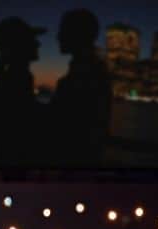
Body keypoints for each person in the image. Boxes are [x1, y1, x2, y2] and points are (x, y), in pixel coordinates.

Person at [49, 8, 111, 166]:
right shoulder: (95, 70)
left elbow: (67, 123)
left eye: (63, 31)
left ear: (76, 35)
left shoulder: (84, 76)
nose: (58, 37)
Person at [0, 16, 45, 166]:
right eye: (31, 39)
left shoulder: (13, 75)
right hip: (19, 158)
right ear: (19, 45)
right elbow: (23, 116)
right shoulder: (19, 76)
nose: (38, 43)